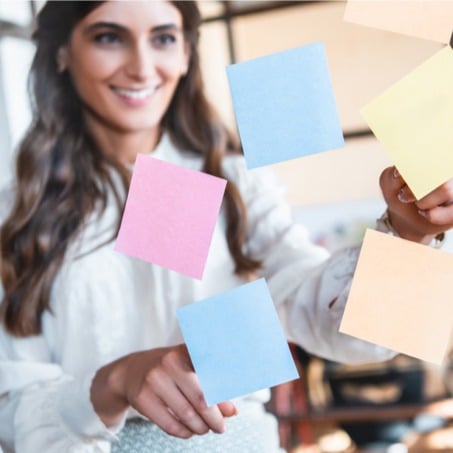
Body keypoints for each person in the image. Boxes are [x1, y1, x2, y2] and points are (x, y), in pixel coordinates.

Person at [0, 1, 452, 452]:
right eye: (108, 37)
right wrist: (115, 381)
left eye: (163, 38)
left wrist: (409, 236)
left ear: (186, 54)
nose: (141, 68)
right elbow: (8, 405)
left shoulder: (234, 183)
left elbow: (333, 325)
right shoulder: (16, 213)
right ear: (61, 51)